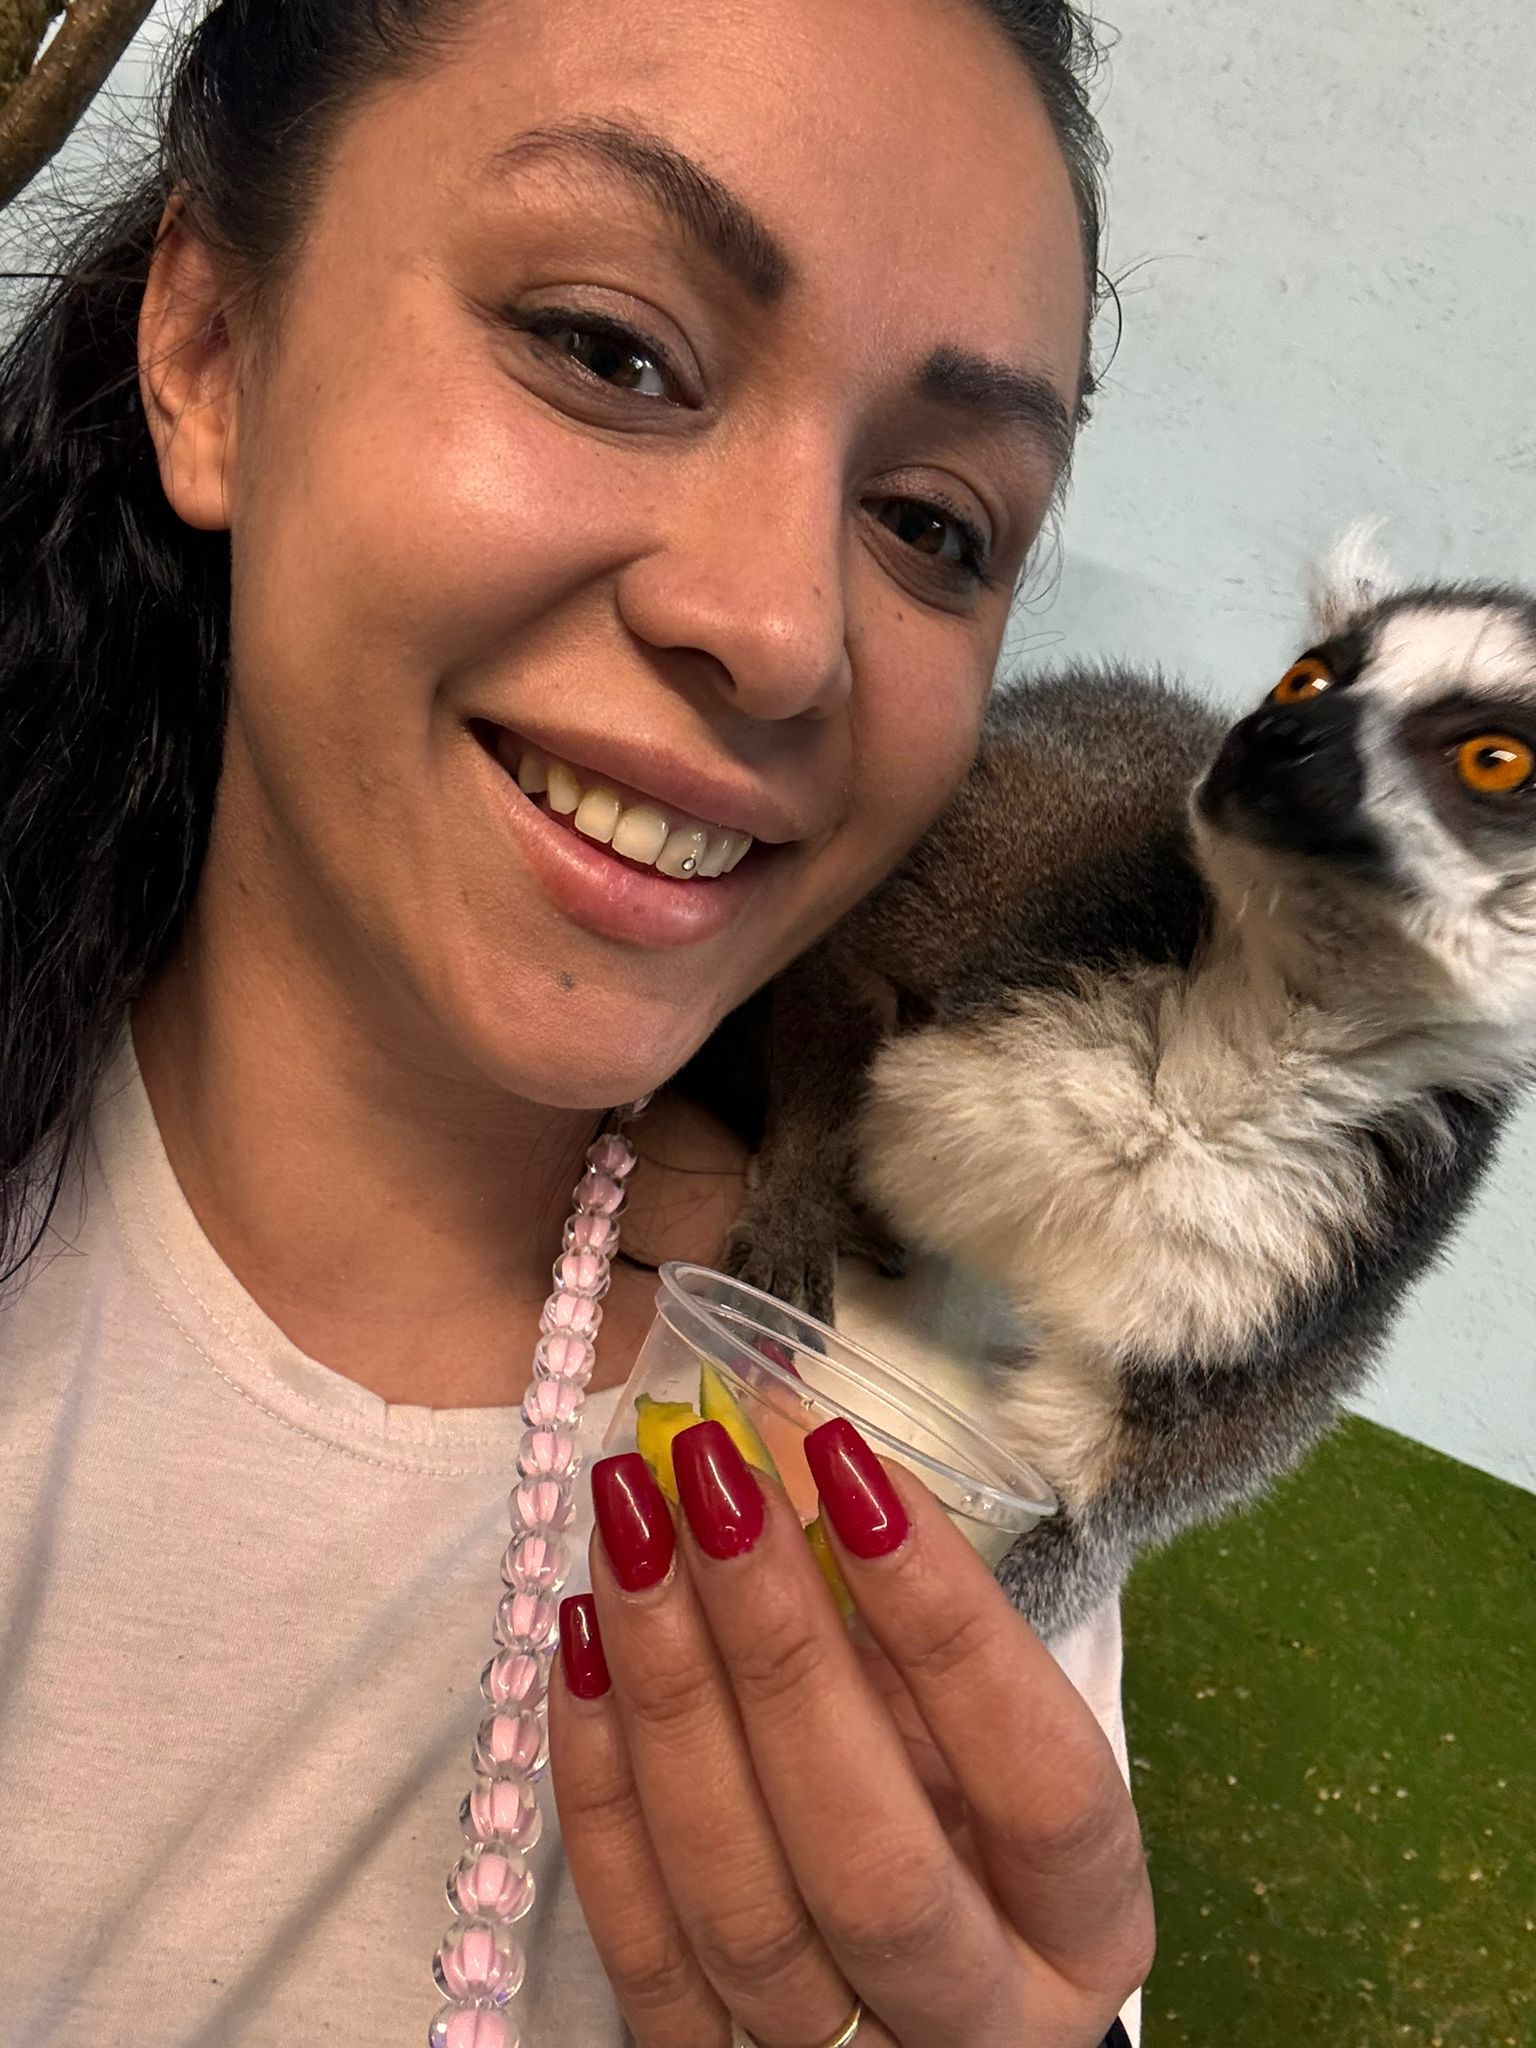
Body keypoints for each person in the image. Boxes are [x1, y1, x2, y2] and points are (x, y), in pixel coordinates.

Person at [0, 1, 1154, 2042]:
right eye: (611, 349)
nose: (783, 632)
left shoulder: (894, 1438)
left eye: (933, 524)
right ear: (211, 349)